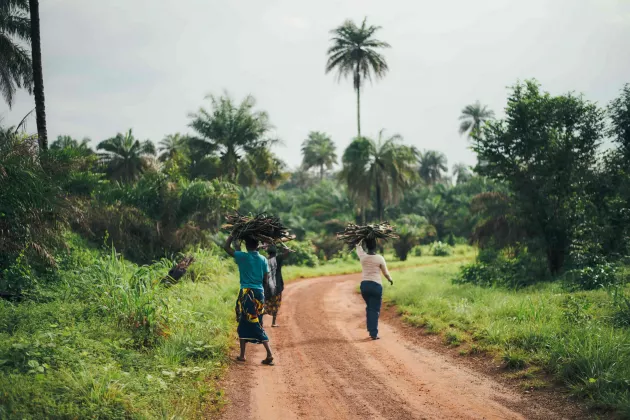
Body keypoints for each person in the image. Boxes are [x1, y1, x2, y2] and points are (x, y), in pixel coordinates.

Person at [224, 234, 274, 365]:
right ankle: (243, 355)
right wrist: (263, 293)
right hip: (259, 293)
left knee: (248, 323)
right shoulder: (263, 259)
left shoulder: (242, 256)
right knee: (253, 322)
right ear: (258, 245)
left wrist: (232, 234)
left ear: (246, 245)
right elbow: (266, 279)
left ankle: (268, 354)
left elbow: (226, 247)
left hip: (247, 293)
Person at [356, 237, 393, 340]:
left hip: (364, 286)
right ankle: (373, 333)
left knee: (369, 307)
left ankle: (370, 329)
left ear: (366, 246)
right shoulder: (379, 258)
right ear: (375, 246)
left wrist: (361, 238)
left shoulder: (362, 256)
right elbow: (385, 273)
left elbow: (358, 247)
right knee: (374, 309)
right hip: (376, 286)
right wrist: (390, 279)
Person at [264, 245, 289, 327]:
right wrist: (284, 247)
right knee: (276, 303)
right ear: (275, 252)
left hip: (267, 286)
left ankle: (260, 322)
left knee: (266, 303)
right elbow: (286, 252)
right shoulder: (278, 258)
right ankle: (273, 322)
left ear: (268, 253)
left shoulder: (265, 260)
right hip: (277, 286)